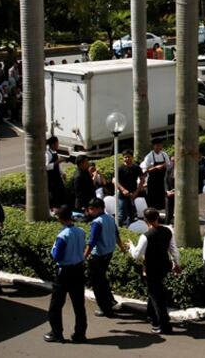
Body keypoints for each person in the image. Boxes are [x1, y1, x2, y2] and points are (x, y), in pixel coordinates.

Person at [129, 206, 180, 334]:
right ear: (158, 217)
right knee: (155, 291)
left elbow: (136, 255)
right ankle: (151, 316)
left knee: (156, 296)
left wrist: (130, 246)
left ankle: (163, 325)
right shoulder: (168, 231)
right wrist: (176, 263)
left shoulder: (145, 236)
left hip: (151, 269)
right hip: (164, 266)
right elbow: (173, 249)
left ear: (145, 220)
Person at [45, 207, 87, 343]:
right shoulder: (81, 231)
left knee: (56, 305)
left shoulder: (62, 236)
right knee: (79, 305)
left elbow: (56, 256)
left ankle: (56, 333)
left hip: (64, 272)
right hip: (78, 271)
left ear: (60, 219)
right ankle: (80, 334)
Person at [84, 198, 125, 317]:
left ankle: (105, 308)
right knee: (102, 279)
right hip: (109, 253)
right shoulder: (110, 219)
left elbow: (91, 242)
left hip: (98, 256)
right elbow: (116, 235)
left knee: (97, 283)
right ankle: (111, 301)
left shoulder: (97, 222)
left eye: (92, 209)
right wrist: (122, 248)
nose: (90, 211)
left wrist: (84, 257)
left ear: (100, 208)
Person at [142, 137, 171, 217]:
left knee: (162, 199)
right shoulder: (149, 156)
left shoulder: (164, 154)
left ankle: (163, 215)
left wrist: (165, 166)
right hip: (152, 182)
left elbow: (168, 165)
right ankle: (152, 215)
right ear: (153, 146)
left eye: (160, 145)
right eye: (157, 145)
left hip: (162, 180)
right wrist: (155, 168)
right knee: (152, 200)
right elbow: (144, 170)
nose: (158, 147)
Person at [115, 150, 143, 227]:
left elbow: (142, 179)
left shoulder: (136, 168)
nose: (127, 158)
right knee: (121, 215)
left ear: (132, 157)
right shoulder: (120, 168)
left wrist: (137, 191)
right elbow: (114, 180)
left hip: (133, 194)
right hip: (122, 195)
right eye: (125, 157)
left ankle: (130, 230)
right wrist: (123, 189)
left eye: (129, 157)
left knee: (132, 215)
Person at [46, 136, 67, 211]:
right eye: (57, 143)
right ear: (52, 145)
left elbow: (58, 166)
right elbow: (46, 166)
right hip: (51, 179)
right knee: (54, 196)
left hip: (58, 178)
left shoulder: (55, 153)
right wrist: (56, 163)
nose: (58, 145)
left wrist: (63, 173)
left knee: (62, 193)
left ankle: (62, 209)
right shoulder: (47, 154)